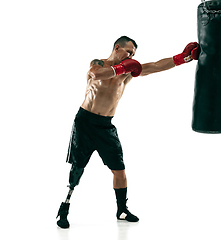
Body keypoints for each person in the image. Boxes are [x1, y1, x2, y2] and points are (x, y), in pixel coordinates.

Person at [56, 36, 200, 228]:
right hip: (85, 122)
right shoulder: (98, 64)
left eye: (133, 54)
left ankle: (122, 210)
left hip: (106, 125)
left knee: (119, 169)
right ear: (117, 48)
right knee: (78, 167)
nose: (132, 56)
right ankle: (64, 208)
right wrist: (121, 68)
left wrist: (183, 58)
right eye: (129, 52)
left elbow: (155, 66)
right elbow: (97, 75)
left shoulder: (127, 73)